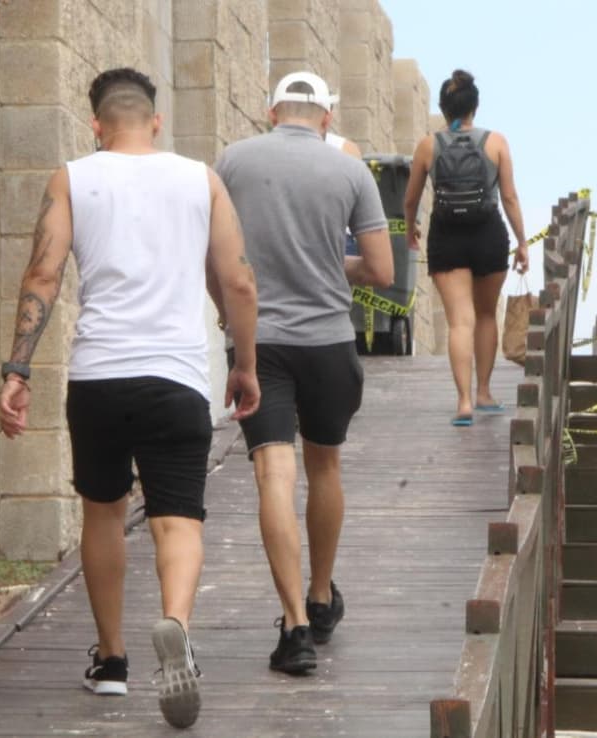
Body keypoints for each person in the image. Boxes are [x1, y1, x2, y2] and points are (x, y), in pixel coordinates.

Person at [0, 67, 260, 729]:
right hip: (173, 377)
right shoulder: (201, 179)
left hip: (99, 377)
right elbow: (237, 280)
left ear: (95, 124)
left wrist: (17, 370)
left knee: (104, 513)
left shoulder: (73, 177)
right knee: (178, 518)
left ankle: (111, 663)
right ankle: (174, 623)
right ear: (157, 120)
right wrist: (243, 362)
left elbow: (44, 273)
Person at [214, 71, 393, 675]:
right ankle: (320, 596)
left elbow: (215, 260)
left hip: (259, 342)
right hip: (328, 343)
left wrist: (229, 319)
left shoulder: (232, 162)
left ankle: (293, 629)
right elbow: (381, 270)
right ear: (325, 118)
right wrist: (327, 266)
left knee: (272, 473)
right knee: (325, 464)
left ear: (272, 112)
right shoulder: (349, 171)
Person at [404, 69, 529, 426]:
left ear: (443, 107)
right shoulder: (496, 142)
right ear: (475, 105)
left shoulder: (428, 145)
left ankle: (463, 403)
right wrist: (521, 242)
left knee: (461, 321)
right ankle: (484, 392)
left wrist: (411, 227)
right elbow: (508, 196)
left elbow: (411, 198)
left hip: (447, 236)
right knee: (486, 315)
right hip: (488, 234)